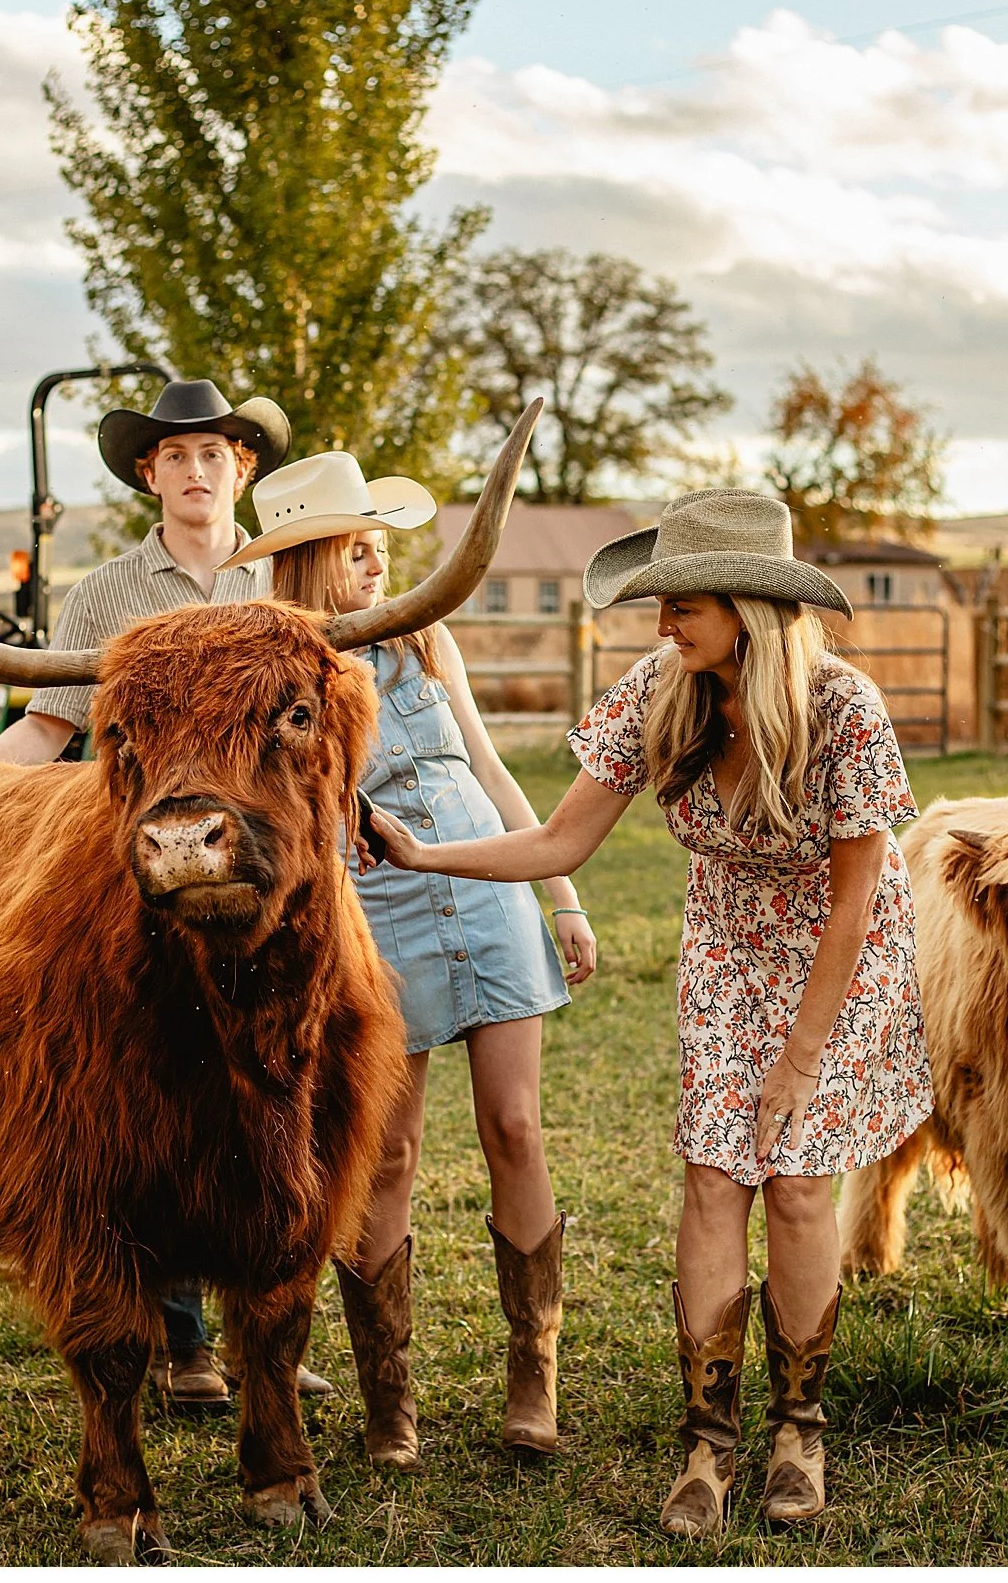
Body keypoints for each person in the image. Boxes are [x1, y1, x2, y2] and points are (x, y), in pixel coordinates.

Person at [361, 489, 931, 1534]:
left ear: (748, 610)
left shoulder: (844, 708)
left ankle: (798, 1430)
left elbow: (856, 901)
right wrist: (424, 852)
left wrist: (801, 1059)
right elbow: (560, 841)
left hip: (839, 957)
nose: (661, 623)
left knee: (799, 1183)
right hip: (727, 946)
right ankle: (708, 1441)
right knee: (714, 1177)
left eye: (681, 605)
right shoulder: (660, 692)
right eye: (659, 603)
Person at [0, 377, 332, 1407]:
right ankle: (183, 1341)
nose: (196, 471)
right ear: (150, 474)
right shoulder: (106, 594)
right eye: (175, 455)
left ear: (243, 469)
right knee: (162, 1089)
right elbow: (51, 727)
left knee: (272, 1097)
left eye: (214, 453)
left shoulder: (285, 583)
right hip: (142, 882)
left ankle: (265, 1330)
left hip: (274, 885)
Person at [219, 451, 599, 1465]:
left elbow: (488, 766)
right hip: (374, 911)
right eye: (355, 547)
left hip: (484, 881)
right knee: (386, 1152)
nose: (377, 562)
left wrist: (561, 894)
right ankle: (390, 1401)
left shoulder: (428, 638)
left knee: (516, 1125)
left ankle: (534, 1377)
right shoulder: (276, 676)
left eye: (379, 544)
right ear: (306, 561)